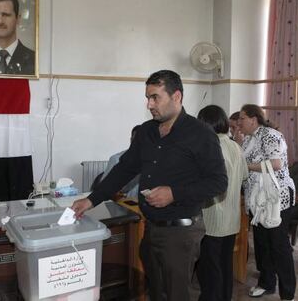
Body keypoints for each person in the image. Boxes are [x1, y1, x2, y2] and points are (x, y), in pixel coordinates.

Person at [72, 70, 228, 301]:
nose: (149, 104)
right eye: (147, 98)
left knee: (176, 295)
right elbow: (124, 169)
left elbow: (218, 182)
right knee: (156, 291)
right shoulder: (146, 131)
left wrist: (174, 194)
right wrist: (92, 199)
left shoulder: (201, 134)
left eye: (155, 97)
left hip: (181, 232)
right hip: (152, 228)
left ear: (176, 96)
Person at [238, 104, 296, 301]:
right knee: (262, 244)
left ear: (254, 119)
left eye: (242, 118)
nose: (239, 123)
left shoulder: (270, 135)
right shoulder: (247, 139)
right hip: (258, 198)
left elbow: (276, 163)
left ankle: (288, 294)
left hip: (276, 197)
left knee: (278, 246)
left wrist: (246, 167)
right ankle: (266, 283)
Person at [196, 105, 248, 301]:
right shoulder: (235, 146)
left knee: (210, 269)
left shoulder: (211, 147)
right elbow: (243, 176)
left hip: (212, 219)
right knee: (225, 266)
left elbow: (206, 184)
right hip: (232, 218)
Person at [100, 125, 141, 199]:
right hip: (122, 204)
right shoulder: (116, 159)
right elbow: (104, 187)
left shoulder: (153, 161)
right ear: (131, 139)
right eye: (136, 139)